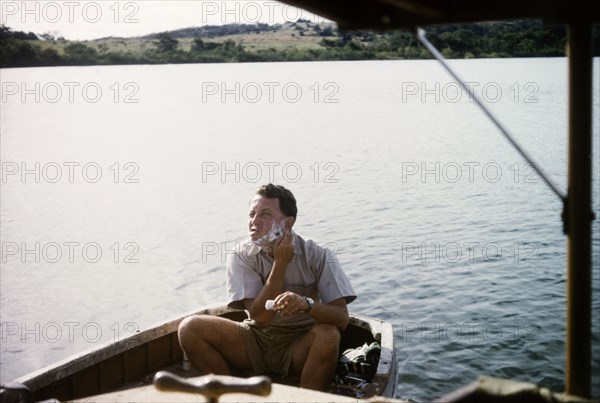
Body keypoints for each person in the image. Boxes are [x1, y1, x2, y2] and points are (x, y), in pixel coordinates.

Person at [178, 183, 356, 391]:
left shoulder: (320, 255)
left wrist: (306, 304)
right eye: (252, 214)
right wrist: (280, 263)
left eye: (265, 214)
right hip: (256, 339)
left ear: (287, 223)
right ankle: (233, 396)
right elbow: (260, 318)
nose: (254, 221)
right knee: (190, 329)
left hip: (301, 344)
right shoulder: (241, 255)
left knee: (328, 335)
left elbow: (342, 319)